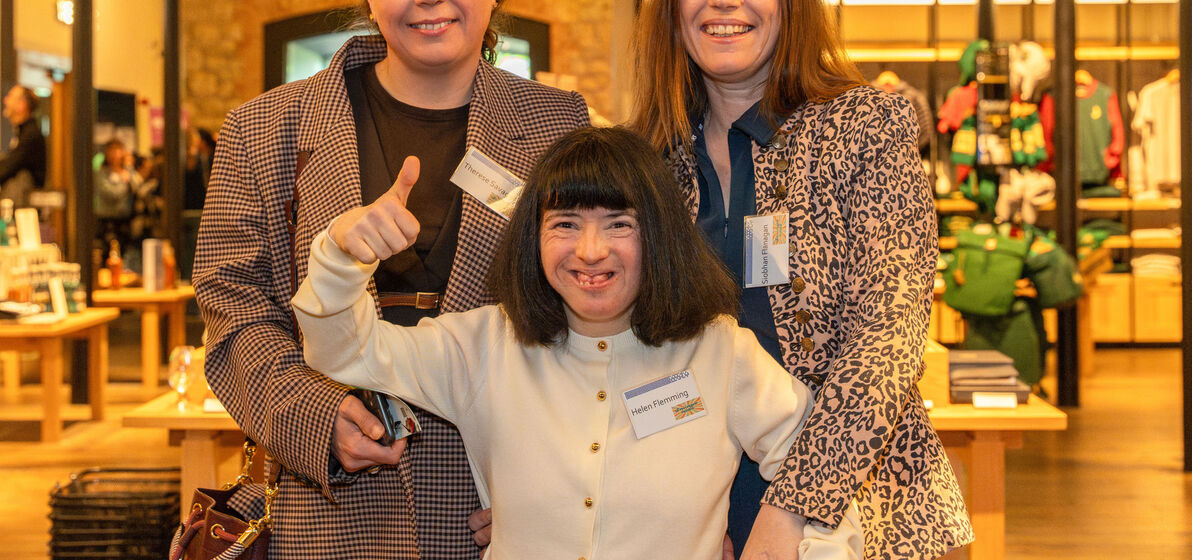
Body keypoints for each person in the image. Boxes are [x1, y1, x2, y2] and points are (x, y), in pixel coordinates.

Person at [193, 0, 588, 559]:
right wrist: (311, 415)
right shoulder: (265, 130)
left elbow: (597, 322)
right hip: (328, 510)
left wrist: (557, 481)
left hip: (497, 511)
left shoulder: (560, 125)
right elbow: (233, 307)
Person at [293, 125, 862, 559]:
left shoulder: (718, 352)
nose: (590, 250)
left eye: (620, 223)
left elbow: (819, 466)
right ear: (533, 238)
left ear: (659, 235)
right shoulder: (484, 345)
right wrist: (342, 255)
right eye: (564, 223)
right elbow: (344, 351)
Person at [629, 0, 973, 560]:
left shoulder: (864, 125)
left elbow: (888, 339)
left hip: (866, 509)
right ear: (671, 4)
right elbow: (645, 361)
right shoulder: (648, 159)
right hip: (695, 512)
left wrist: (791, 510)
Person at [0, 84, 47, 206]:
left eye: (10, 96)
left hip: (25, 212)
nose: (5, 100)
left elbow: (4, 170)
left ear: (21, 105)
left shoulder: (30, 135)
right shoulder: (22, 133)